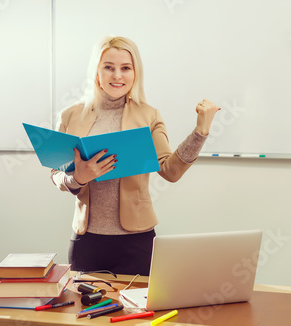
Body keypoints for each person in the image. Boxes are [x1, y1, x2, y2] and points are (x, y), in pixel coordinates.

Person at [50, 36, 219, 276]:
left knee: (138, 312)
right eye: (108, 67)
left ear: (135, 72)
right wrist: (77, 177)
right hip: (86, 241)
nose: (117, 75)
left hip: (136, 243)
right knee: (87, 311)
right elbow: (56, 172)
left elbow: (170, 171)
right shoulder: (70, 115)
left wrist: (200, 132)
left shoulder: (149, 115)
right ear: (96, 71)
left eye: (125, 68)